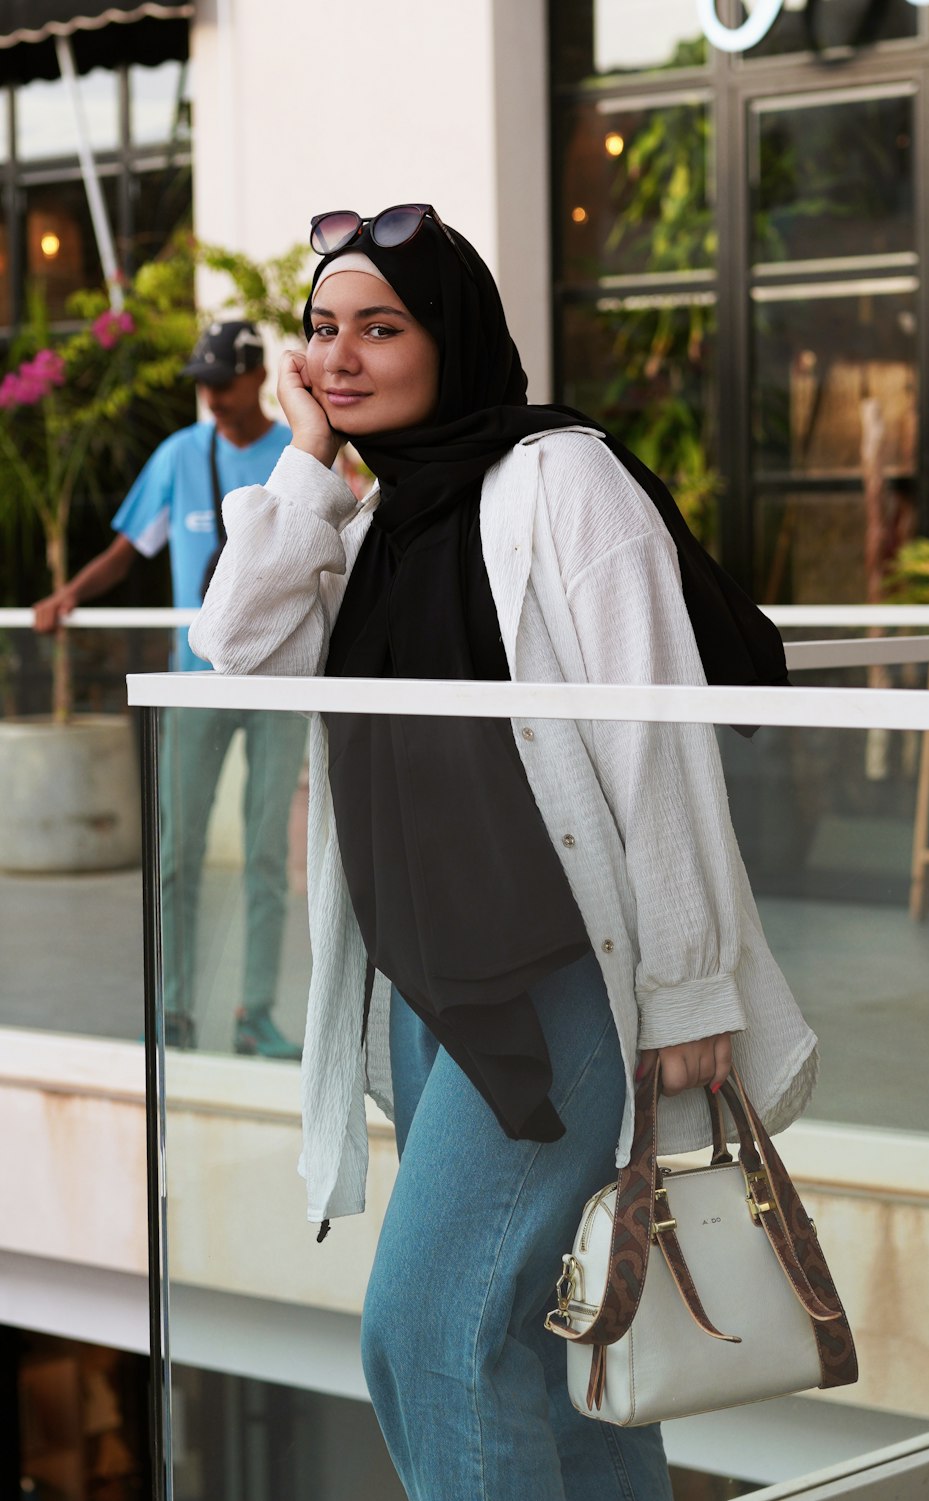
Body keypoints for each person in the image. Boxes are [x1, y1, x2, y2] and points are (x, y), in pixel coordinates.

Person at [190, 207, 819, 1500]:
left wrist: (693, 985)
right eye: (323, 332)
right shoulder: (371, 529)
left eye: (382, 326)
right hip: (433, 995)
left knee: (425, 1334)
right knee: (542, 1337)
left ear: (453, 336)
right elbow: (235, 648)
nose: (344, 355)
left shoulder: (560, 481)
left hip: (559, 989)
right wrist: (304, 459)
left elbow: (659, 738)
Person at [34, 321, 305, 1059]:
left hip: (280, 684)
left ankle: (255, 1013)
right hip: (195, 684)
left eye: (223, 380)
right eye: (203, 382)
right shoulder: (180, 456)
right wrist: (67, 595)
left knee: (265, 858)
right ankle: (177, 1011)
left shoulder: (297, 452)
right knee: (178, 853)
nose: (211, 396)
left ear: (255, 377)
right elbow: (130, 550)